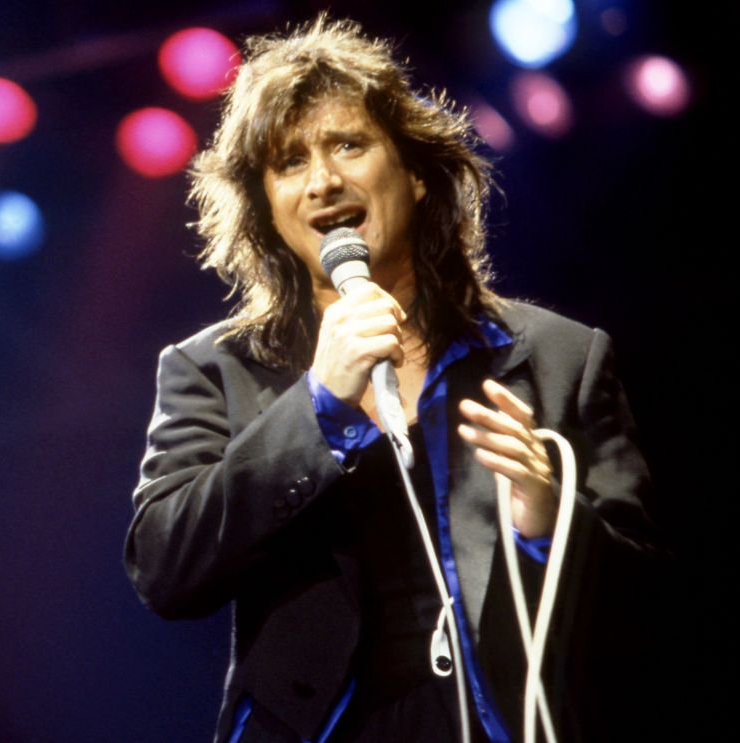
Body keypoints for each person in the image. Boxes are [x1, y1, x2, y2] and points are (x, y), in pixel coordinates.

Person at [124, 15, 660, 743]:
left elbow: (649, 607)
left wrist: (553, 519)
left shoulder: (561, 354)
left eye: (348, 144)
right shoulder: (213, 369)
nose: (323, 181)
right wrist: (315, 406)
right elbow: (164, 568)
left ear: (413, 172)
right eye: (289, 162)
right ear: (267, 209)